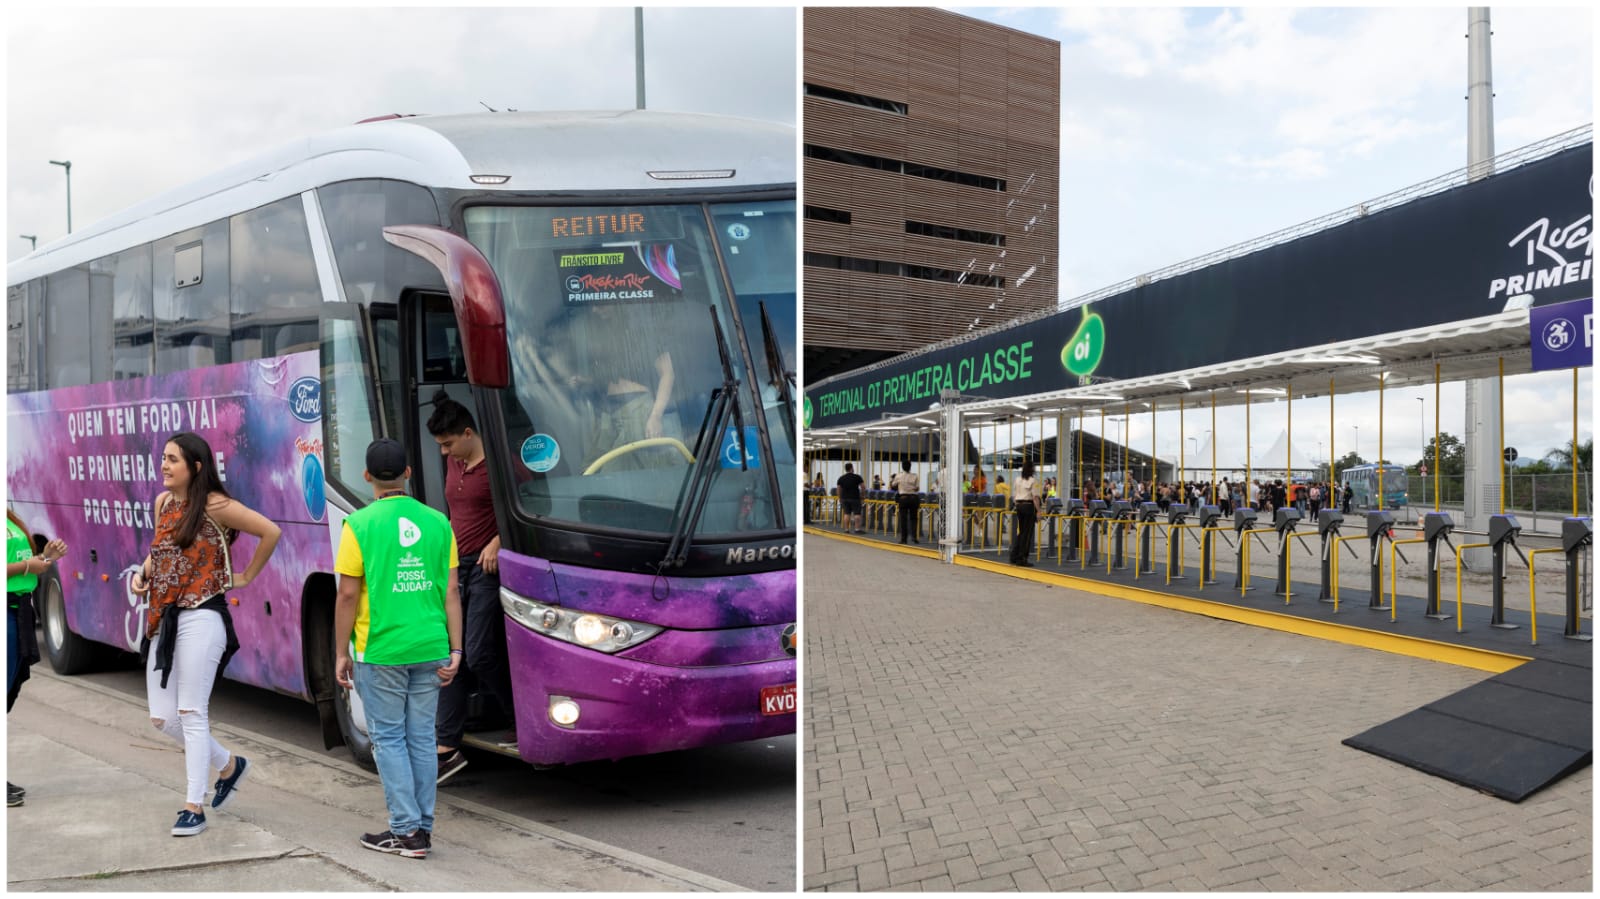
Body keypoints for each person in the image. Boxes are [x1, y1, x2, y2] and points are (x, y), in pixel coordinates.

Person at [131, 432, 280, 837]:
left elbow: (270, 531)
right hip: (164, 620)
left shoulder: (215, 505)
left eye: (173, 460)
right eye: (162, 458)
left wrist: (246, 576)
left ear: (196, 467)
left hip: (202, 617)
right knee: (162, 718)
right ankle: (230, 766)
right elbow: (160, 548)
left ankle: (193, 806)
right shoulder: (164, 503)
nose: (164, 465)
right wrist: (143, 574)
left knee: (191, 712)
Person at [335, 439, 463, 860]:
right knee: (422, 738)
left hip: (382, 650)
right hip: (431, 646)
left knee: (389, 739)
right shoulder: (439, 523)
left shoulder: (359, 525)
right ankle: (422, 829)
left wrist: (341, 651)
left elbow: (347, 597)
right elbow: (452, 596)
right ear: (409, 473)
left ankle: (406, 832)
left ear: (366, 476)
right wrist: (456, 651)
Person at [427, 391, 514, 785]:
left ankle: (518, 717)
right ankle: (445, 749)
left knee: (477, 652)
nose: (445, 454)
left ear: (467, 433)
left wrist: (499, 541)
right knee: (453, 654)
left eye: (448, 444)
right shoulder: (456, 465)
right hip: (455, 565)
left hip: (486, 565)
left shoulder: (499, 466)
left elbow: (524, 507)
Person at [7, 509, 66, 808]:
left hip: (20, 612)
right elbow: (18, 568)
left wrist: (46, 558)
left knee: (9, 691)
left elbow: (29, 567)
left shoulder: (11, 519)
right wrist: (25, 566)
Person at [1009, 463, 1039, 567]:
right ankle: (1022, 558)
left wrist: (1017, 504)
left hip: (1019, 506)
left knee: (1021, 532)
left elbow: (1014, 494)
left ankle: (1014, 556)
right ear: (1031, 469)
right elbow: (1035, 497)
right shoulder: (1033, 480)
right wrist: (1039, 511)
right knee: (1027, 534)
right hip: (1028, 506)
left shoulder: (1017, 479)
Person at [890, 461, 921, 544]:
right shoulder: (915, 476)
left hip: (903, 498)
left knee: (903, 519)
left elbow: (893, 485)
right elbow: (917, 488)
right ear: (910, 467)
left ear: (902, 467)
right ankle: (914, 537)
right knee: (914, 518)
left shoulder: (899, 476)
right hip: (914, 498)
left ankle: (904, 539)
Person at [835, 463, 866, 534]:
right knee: (857, 513)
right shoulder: (857, 477)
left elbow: (838, 489)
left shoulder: (841, 478)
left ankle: (846, 529)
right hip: (855, 498)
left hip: (844, 498)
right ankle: (857, 529)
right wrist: (863, 496)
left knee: (846, 513)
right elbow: (863, 487)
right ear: (851, 468)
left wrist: (839, 497)